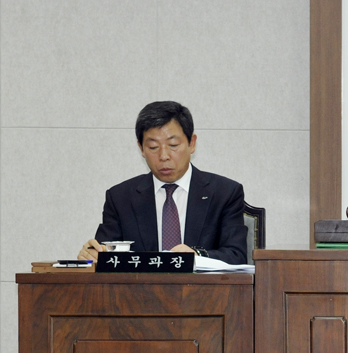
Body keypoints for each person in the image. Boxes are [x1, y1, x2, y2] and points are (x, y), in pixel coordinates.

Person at [78, 101, 248, 265]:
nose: (164, 156)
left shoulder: (225, 193)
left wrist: (197, 256)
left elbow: (236, 255)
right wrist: (93, 255)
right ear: (141, 148)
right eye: (153, 147)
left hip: (202, 285)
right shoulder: (120, 198)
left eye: (173, 145)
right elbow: (105, 255)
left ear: (192, 143)